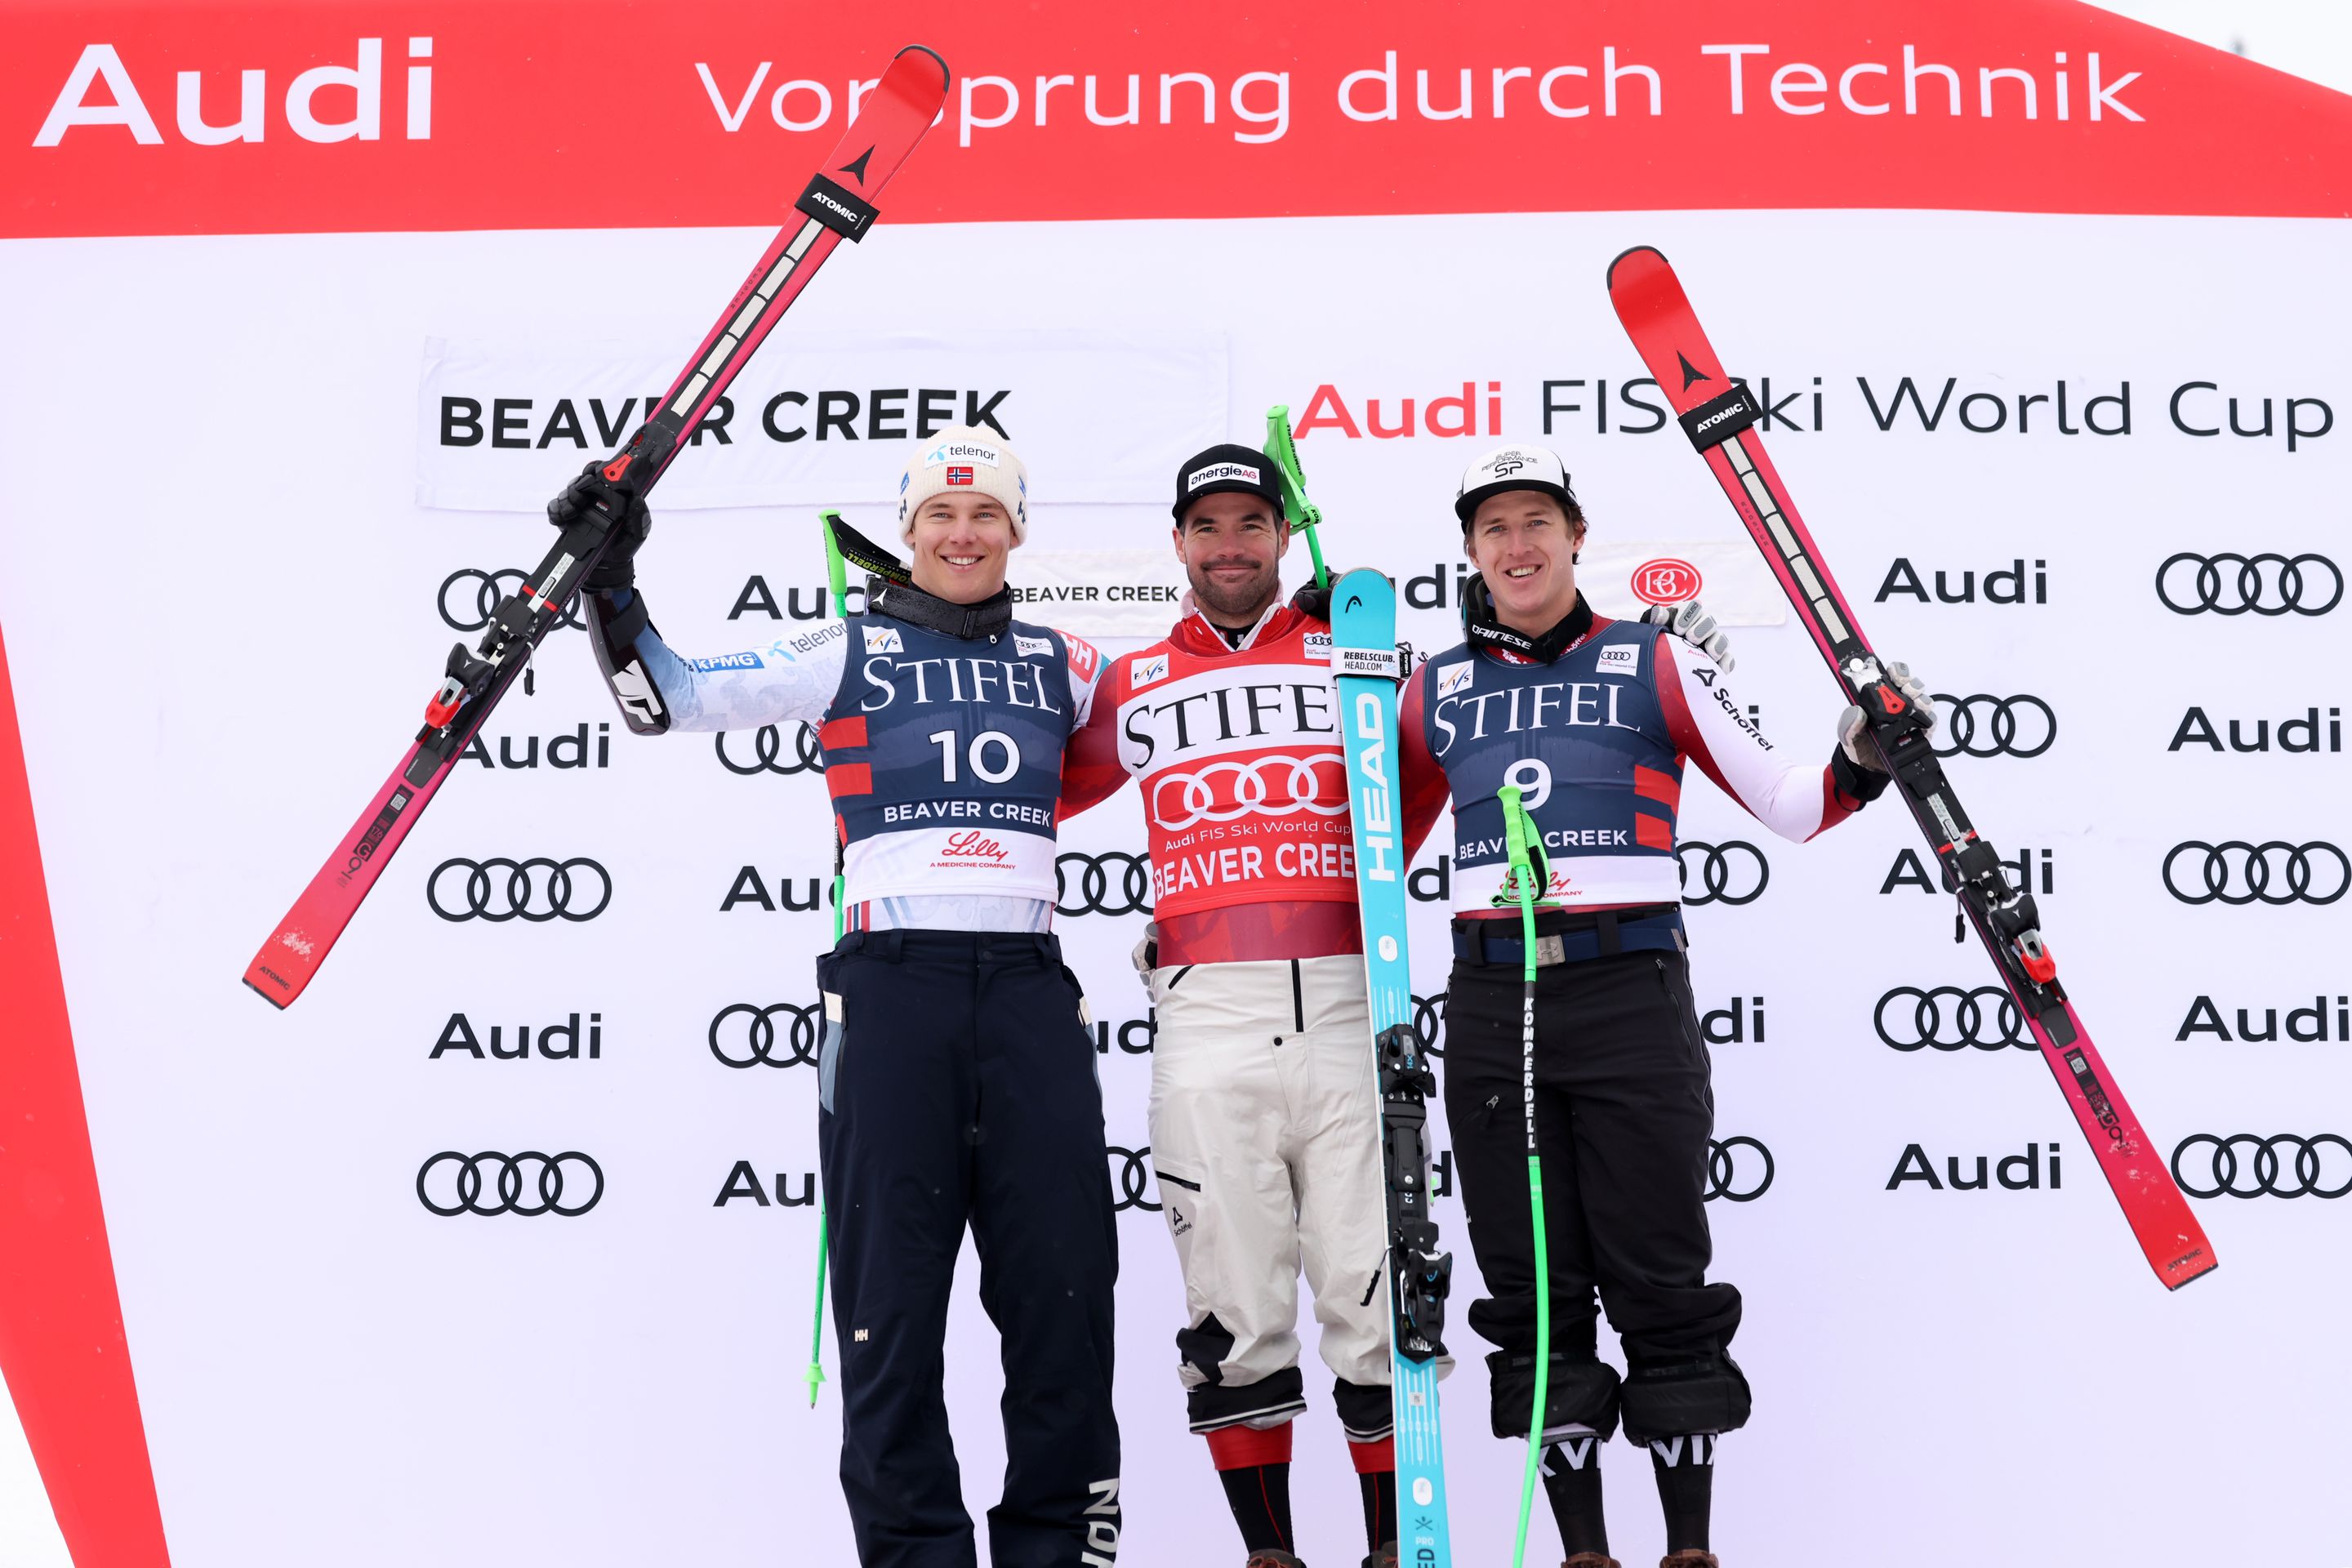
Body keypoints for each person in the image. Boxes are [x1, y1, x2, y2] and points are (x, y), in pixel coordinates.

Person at [1056, 443, 1730, 1568]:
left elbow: (1448, 774)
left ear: (1282, 536)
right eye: (1209, 528)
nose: (1232, 547)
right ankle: (1269, 1553)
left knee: (1383, 1299)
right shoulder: (1131, 684)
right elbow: (1033, 779)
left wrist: (1667, 669)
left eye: (1252, 526)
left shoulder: (1366, 659)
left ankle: (1392, 1547)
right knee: (1231, 1302)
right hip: (1204, 1006)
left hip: (1346, 993)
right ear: (1177, 542)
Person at [559, 430, 1121, 1568]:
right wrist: (609, 579)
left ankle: (1057, 1551)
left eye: (986, 516)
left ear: (1018, 531)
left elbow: (1189, 716)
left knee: (1065, 1307)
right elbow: (664, 697)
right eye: (940, 517)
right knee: (893, 1316)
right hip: (893, 992)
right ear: (906, 532)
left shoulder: (1069, 662)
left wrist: (1308, 628)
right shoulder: (848, 648)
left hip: (1025, 992)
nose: (962, 535)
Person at [1393, 444, 1928, 1568]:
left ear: (1578, 537)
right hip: (1496, 996)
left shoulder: (1655, 660)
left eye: (1538, 520)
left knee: (1658, 1269)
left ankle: (1689, 1548)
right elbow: (1373, 854)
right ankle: (1584, 1550)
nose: (1518, 544)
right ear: (1471, 551)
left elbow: (1792, 805)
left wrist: (1866, 752)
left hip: (1629, 986)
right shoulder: (1432, 687)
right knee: (1535, 1285)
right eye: (1494, 528)